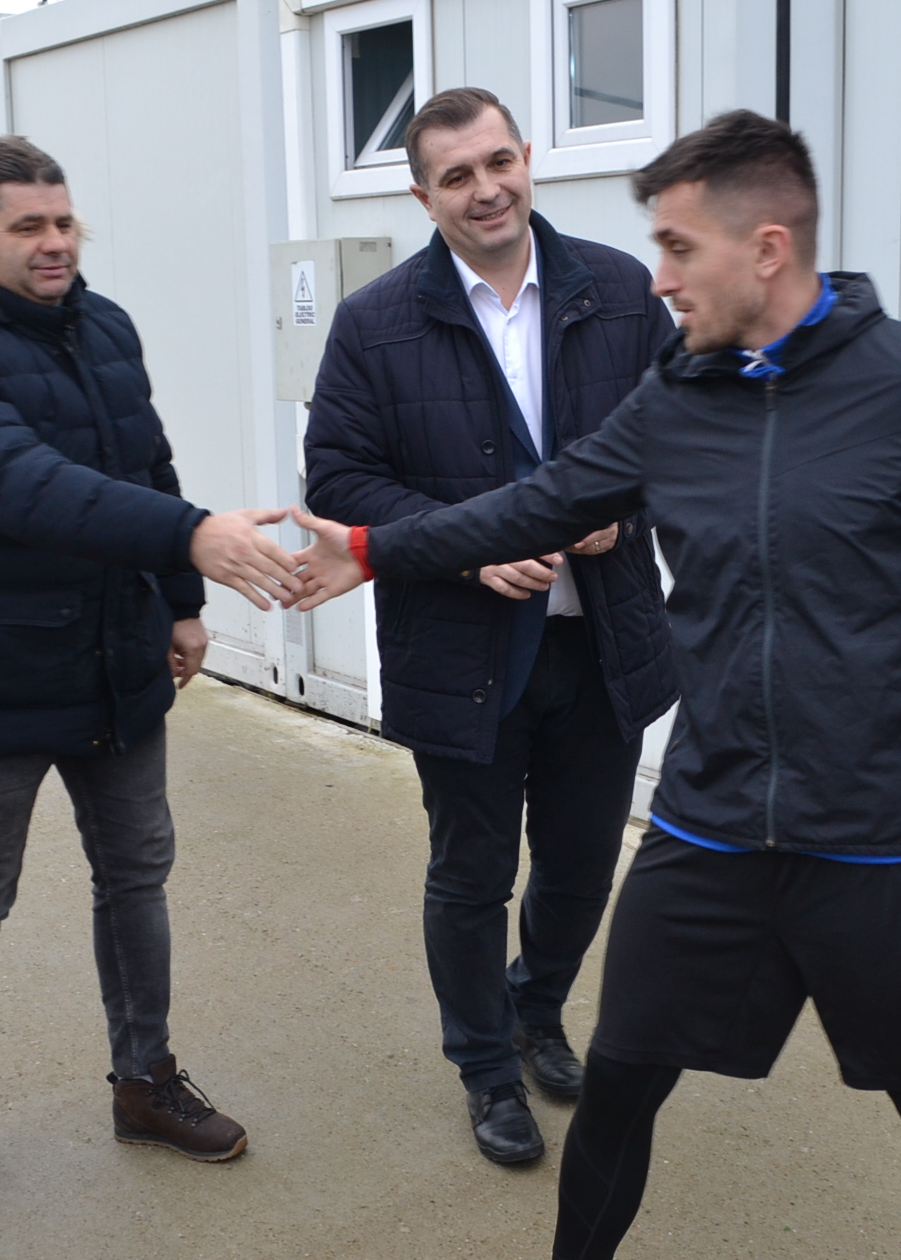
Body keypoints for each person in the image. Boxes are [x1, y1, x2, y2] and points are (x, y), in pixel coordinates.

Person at [290, 111, 901, 1260]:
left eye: (677, 248)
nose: (655, 276)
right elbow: (535, 504)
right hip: (710, 819)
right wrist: (373, 547)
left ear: (765, 246)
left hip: (878, 834)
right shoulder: (678, 395)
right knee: (619, 1078)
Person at [0, 136, 303, 1206]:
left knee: (136, 874)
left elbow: (146, 461)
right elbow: (24, 486)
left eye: (63, 221)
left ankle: (144, 1080)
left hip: (117, 659)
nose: (56, 241)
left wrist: (182, 601)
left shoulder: (104, 326)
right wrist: (192, 535)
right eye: (29, 226)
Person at [304, 89, 676, 1165]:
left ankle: (534, 1008)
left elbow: (689, 438)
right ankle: (483, 1068)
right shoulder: (374, 321)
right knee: (470, 874)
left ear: (529, 159)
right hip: (459, 648)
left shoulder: (619, 291)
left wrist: (621, 513)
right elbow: (339, 481)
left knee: (580, 864)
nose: (486, 189)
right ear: (423, 195)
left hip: (600, 638)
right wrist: (468, 548)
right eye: (456, 175)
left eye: (498, 161)